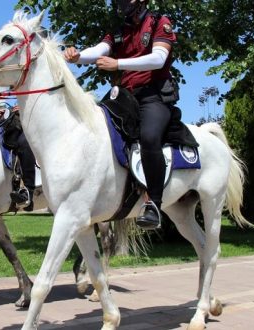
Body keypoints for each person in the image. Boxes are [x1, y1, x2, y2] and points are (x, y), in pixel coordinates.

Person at [64, 0, 180, 230]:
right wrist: (77, 56)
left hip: (153, 97)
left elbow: (158, 59)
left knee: (148, 137)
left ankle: (153, 204)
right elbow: (99, 51)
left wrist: (118, 64)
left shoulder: (160, 22)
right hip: (125, 97)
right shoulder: (118, 31)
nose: (120, 3)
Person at [0, 105, 36, 210]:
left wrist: (25, 109)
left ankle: (28, 193)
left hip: (36, 123)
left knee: (24, 142)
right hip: (17, 126)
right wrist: (4, 115)